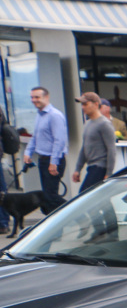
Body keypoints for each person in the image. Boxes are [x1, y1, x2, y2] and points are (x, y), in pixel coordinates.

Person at [25, 86, 68, 214]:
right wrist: (28, 152)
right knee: (47, 197)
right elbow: (35, 136)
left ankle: (77, 212)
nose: (34, 100)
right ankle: (54, 225)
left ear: (46, 97)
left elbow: (59, 141)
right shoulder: (39, 115)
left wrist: (53, 162)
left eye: (37, 97)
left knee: (51, 196)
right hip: (43, 160)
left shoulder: (55, 115)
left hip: (53, 160)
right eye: (32, 97)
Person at [71, 92, 116, 193]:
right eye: (82, 104)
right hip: (92, 167)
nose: (83, 107)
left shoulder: (104, 124)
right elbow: (84, 148)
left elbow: (111, 150)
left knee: (84, 195)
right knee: (99, 199)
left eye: (85, 104)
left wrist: (109, 173)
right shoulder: (88, 124)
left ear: (96, 104)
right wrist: (78, 169)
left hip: (100, 167)